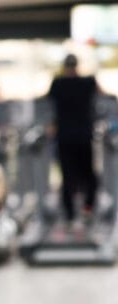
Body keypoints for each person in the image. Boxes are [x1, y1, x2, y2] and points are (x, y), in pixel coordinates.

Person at [47, 53, 100, 226]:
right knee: (89, 174)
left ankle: (70, 215)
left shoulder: (58, 84)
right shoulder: (87, 82)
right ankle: (88, 207)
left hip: (65, 137)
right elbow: (104, 96)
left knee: (68, 176)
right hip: (84, 136)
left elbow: (47, 106)